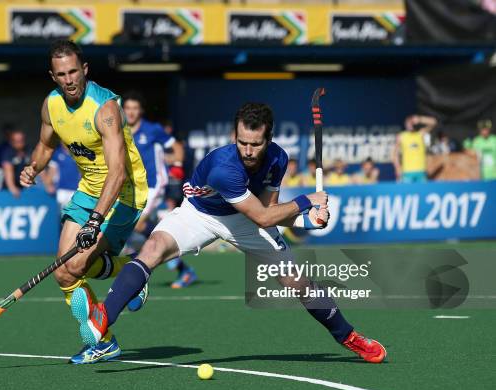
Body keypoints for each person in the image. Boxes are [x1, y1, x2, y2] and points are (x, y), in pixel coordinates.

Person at [70, 103, 387, 364]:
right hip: (200, 213)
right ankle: (103, 318)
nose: (248, 151)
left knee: (297, 282)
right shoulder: (225, 168)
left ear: (269, 139)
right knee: (152, 249)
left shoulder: (277, 159)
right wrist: (307, 202)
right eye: (242, 142)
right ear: (234, 136)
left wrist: (307, 220)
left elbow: (270, 210)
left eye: (256, 144)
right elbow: (264, 217)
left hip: (244, 218)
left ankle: (348, 336)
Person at [18, 40, 149, 364]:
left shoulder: (104, 109)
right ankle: (106, 337)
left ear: (85, 70)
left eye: (74, 71)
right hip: (88, 189)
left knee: (76, 265)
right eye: (61, 74)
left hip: (124, 194)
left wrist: (94, 221)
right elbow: (45, 146)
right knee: (63, 275)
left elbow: (118, 173)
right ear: (53, 76)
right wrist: (34, 167)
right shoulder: (51, 106)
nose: (69, 79)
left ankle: (135, 272)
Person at [122, 91, 198, 289]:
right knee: (144, 230)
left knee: (138, 224)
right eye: (127, 108)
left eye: (134, 109)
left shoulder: (153, 129)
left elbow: (178, 149)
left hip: (155, 184)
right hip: (134, 187)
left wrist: (173, 163)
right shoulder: (121, 130)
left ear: (141, 111)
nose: (130, 113)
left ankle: (174, 264)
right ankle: (183, 268)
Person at [392, 114, 436, 183]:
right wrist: (397, 168)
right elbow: (395, 154)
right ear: (405, 124)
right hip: (407, 172)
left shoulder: (420, 133)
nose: (410, 124)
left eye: (412, 122)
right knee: (407, 192)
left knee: (422, 192)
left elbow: (433, 122)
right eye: (408, 123)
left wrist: (420, 119)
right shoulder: (401, 136)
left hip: (421, 171)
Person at [2, 129, 32, 198]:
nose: (20, 143)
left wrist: (47, 184)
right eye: (17, 141)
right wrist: (12, 188)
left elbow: (39, 168)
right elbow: (8, 171)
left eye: (22, 140)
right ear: (12, 141)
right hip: (9, 189)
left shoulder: (29, 151)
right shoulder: (8, 153)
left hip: (26, 186)